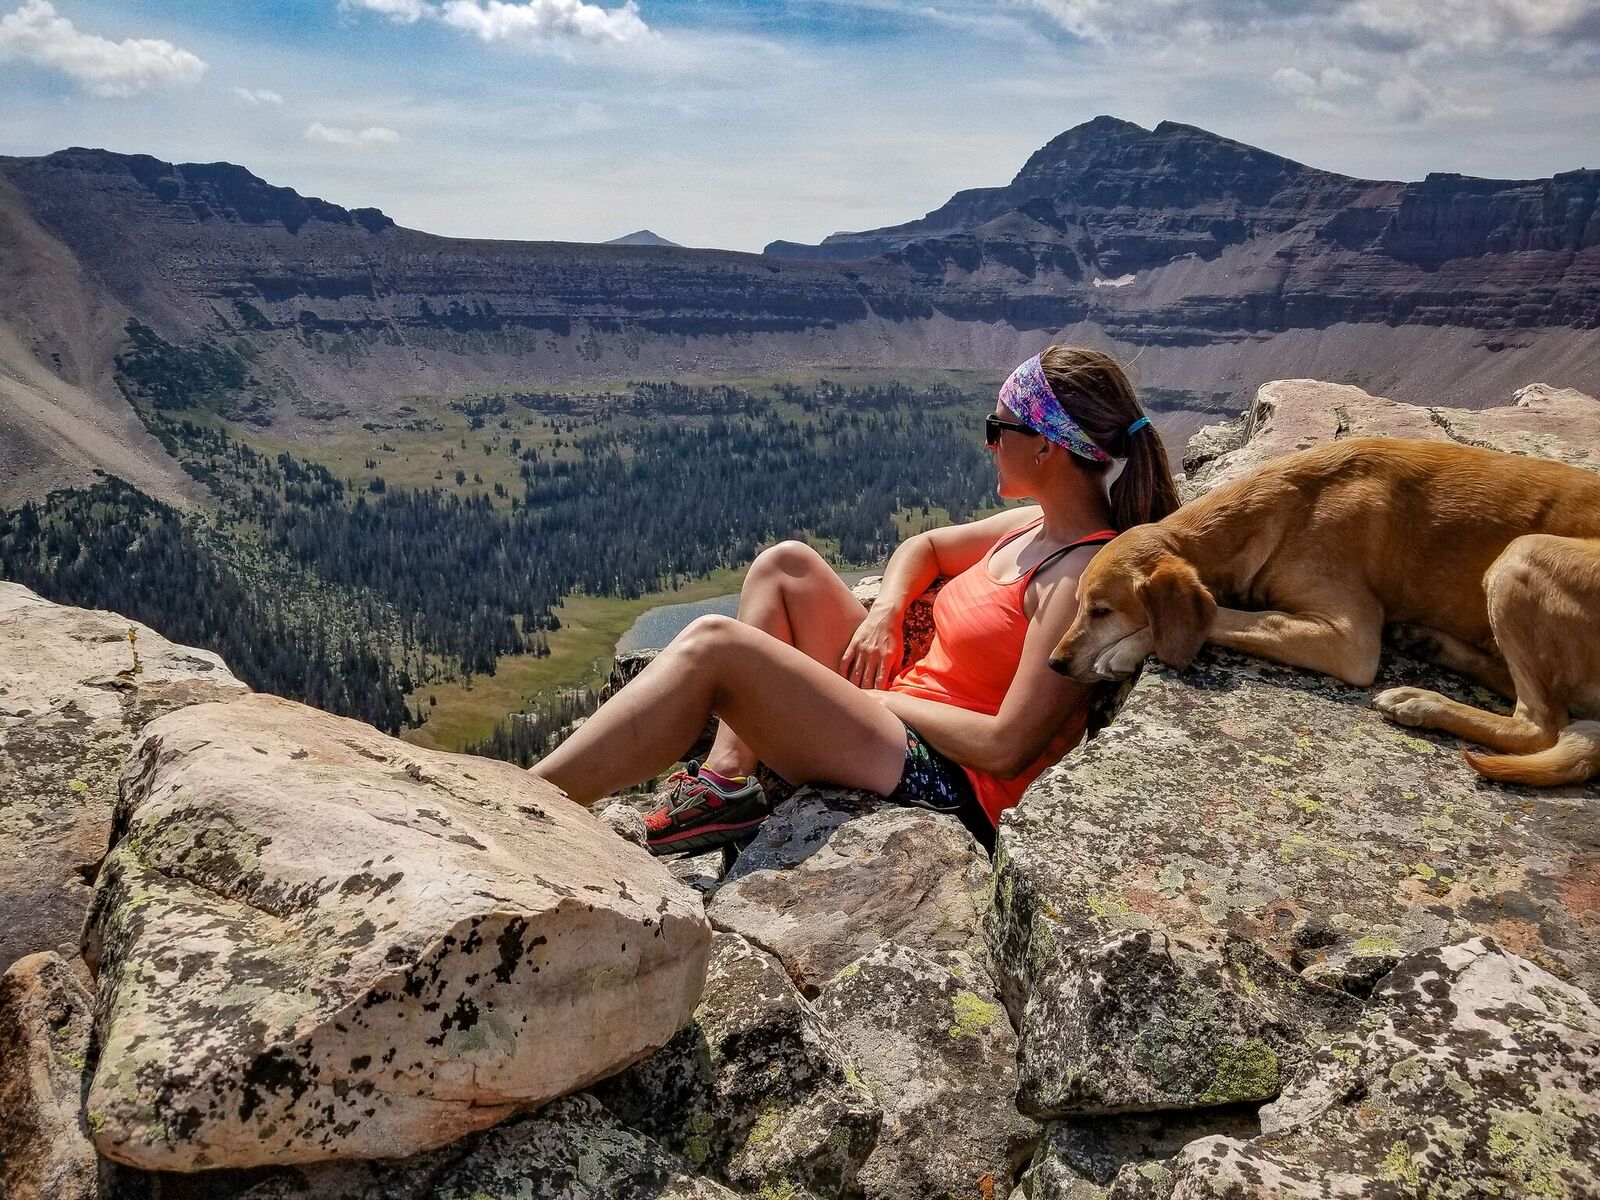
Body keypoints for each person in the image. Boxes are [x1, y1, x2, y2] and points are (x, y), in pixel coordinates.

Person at [531, 347, 1180, 853]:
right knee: (786, 565)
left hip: (948, 776)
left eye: (998, 426)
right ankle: (729, 778)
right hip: (899, 711)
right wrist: (886, 613)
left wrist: (879, 699)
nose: (989, 443)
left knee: (714, 644)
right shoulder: (1030, 526)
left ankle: (525, 803)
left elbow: (1007, 747)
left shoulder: (1077, 581)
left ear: (1045, 444)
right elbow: (924, 547)